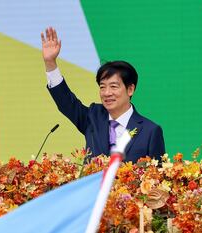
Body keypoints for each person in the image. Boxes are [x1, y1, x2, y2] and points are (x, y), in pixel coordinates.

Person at [41, 27, 165, 162]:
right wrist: (50, 63)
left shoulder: (150, 131)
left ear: (130, 89)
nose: (107, 93)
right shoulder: (93, 117)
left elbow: (157, 177)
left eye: (113, 86)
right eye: (102, 87)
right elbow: (65, 102)